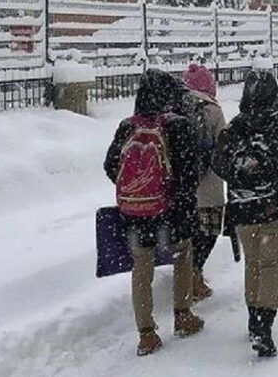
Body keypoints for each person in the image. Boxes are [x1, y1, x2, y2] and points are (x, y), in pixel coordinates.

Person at [212, 70, 278, 358]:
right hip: (276, 204)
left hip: (243, 205)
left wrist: (240, 177)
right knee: (271, 265)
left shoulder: (235, 125)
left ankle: (252, 319)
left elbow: (217, 162)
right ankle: (264, 327)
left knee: (254, 264)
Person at [104, 69, 204, 357]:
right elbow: (188, 173)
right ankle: (183, 315)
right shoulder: (177, 125)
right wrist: (176, 200)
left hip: (135, 212)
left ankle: (146, 334)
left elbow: (110, 165)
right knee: (183, 255)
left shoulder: (127, 126)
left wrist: (137, 188)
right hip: (171, 211)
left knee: (141, 268)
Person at [183, 62, 227, 301]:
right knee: (208, 232)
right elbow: (225, 146)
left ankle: (186, 274)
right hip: (209, 187)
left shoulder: (175, 108)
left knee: (187, 234)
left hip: (182, 188)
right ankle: (195, 274)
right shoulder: (213, 110)